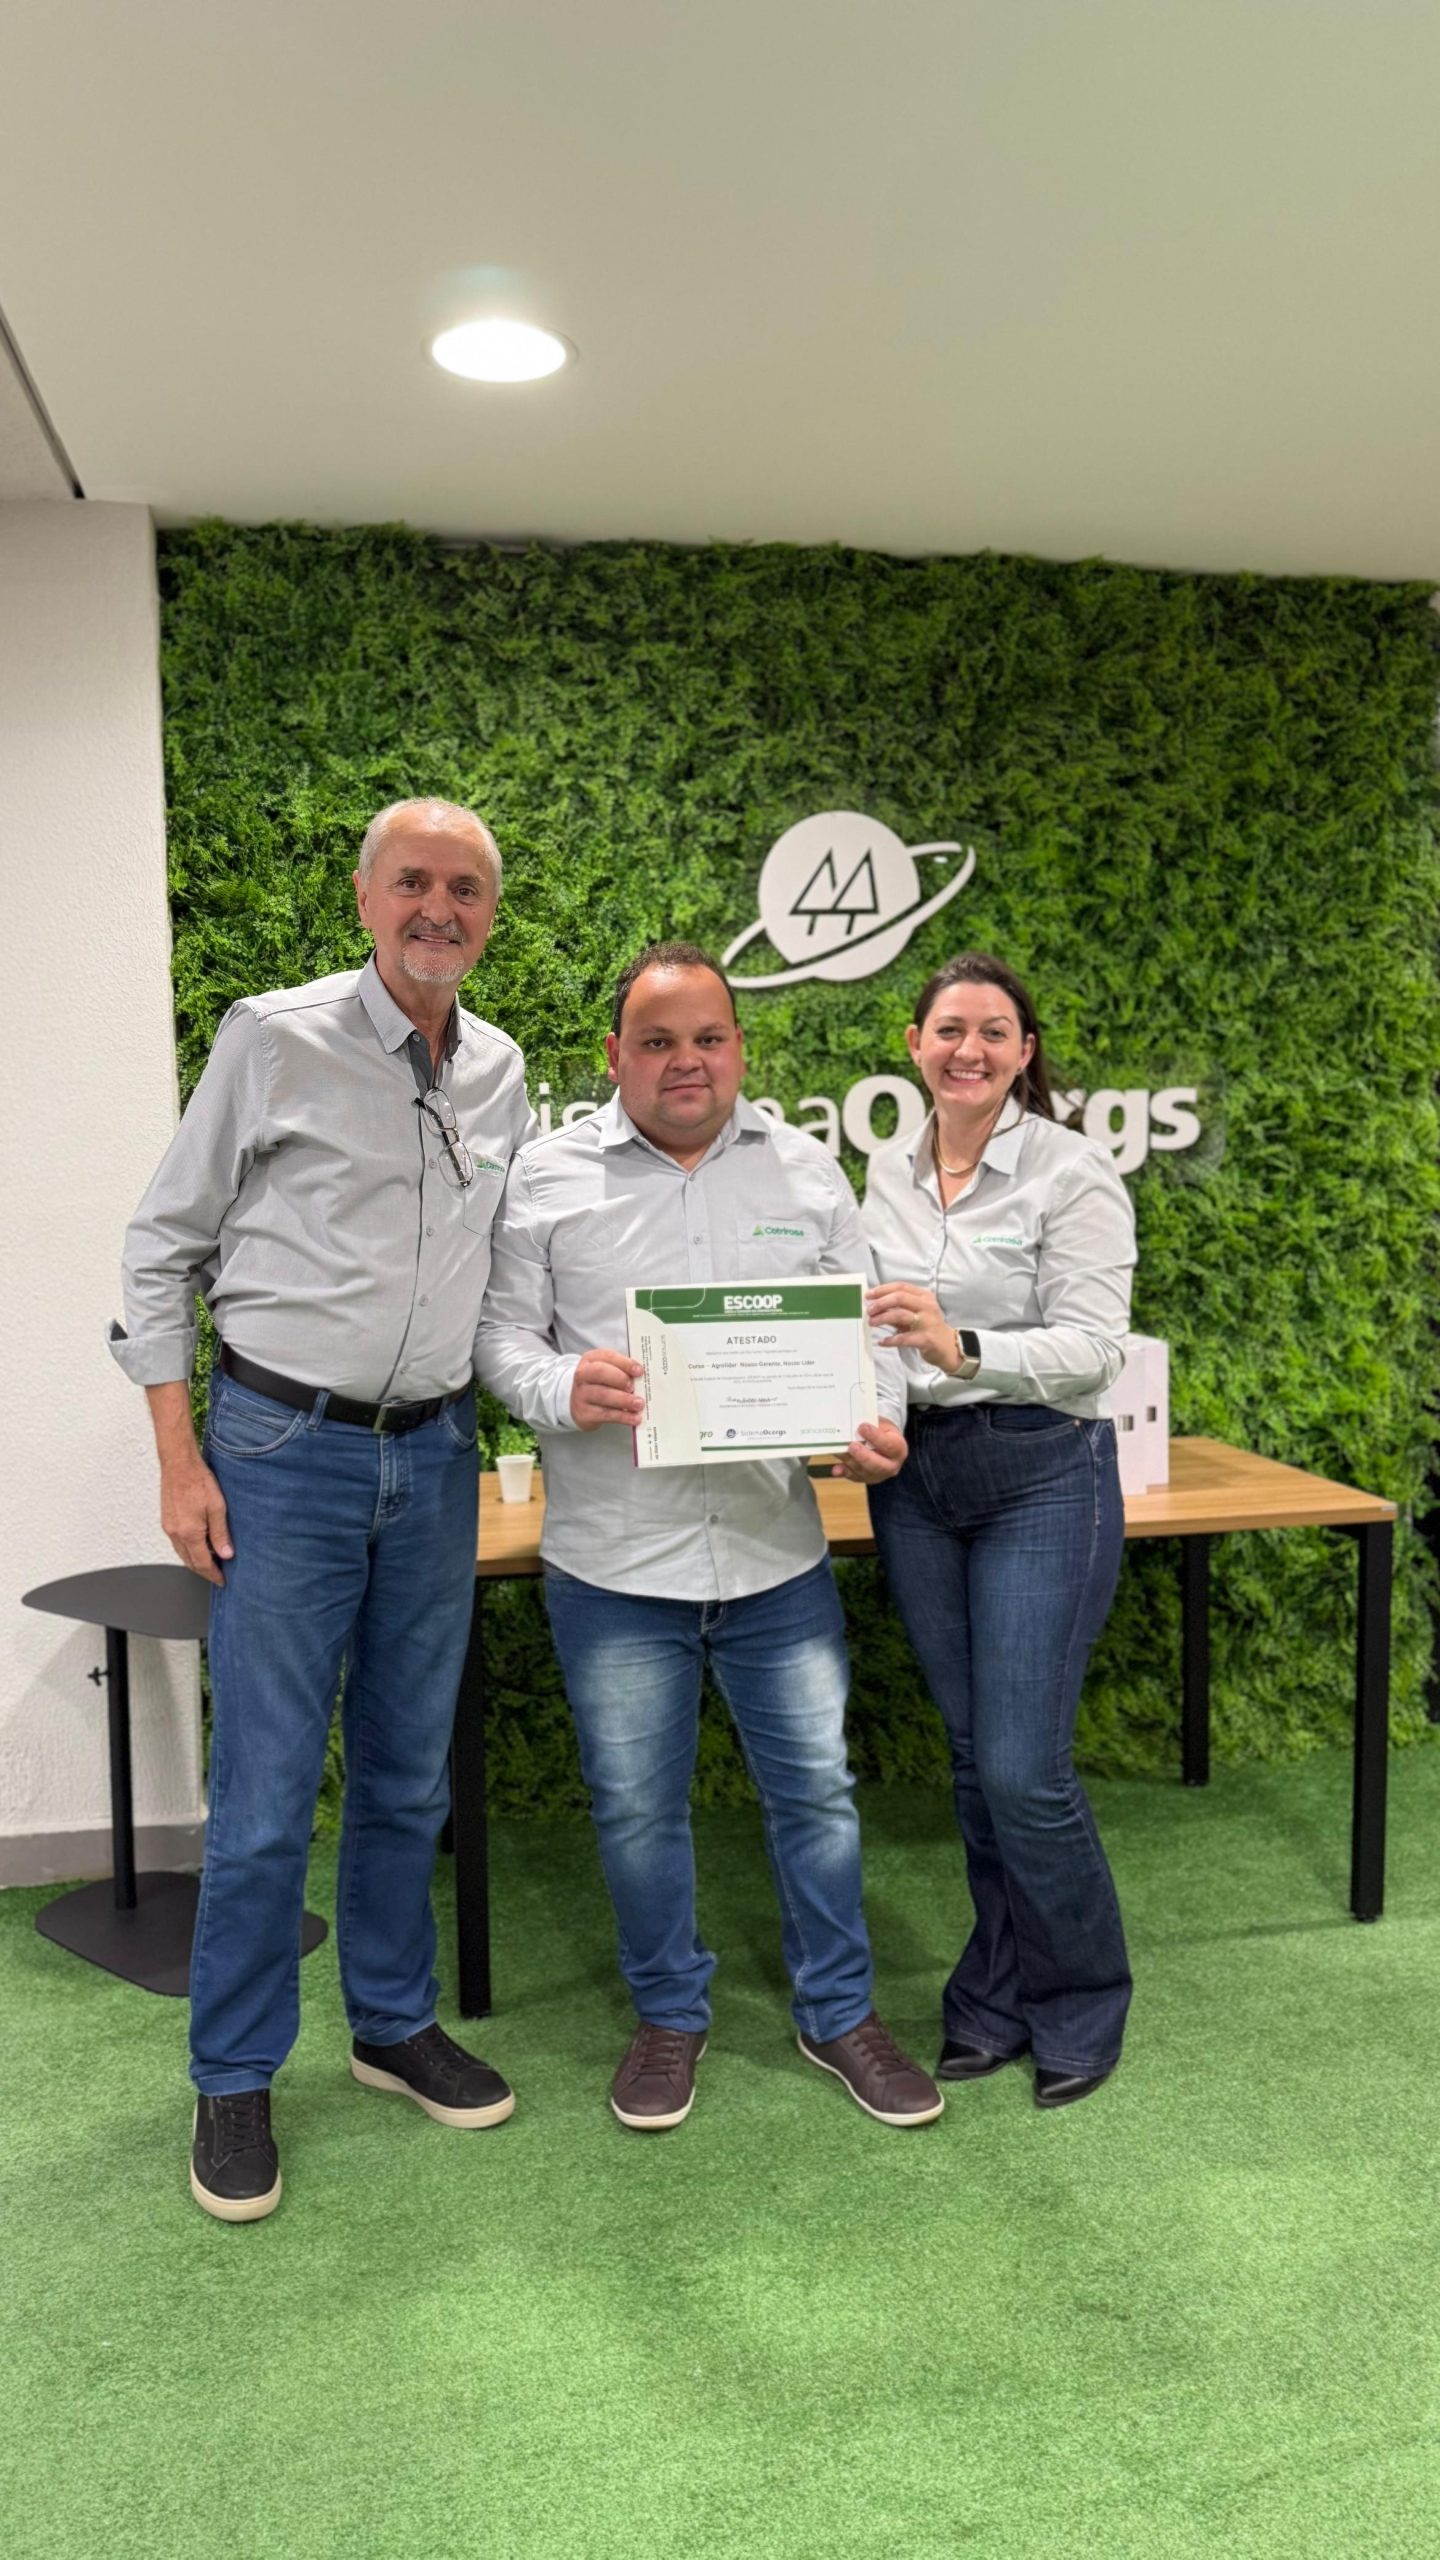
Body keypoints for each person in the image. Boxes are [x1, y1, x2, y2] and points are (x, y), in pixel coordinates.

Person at [111, 799, 533, 2220]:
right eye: (412, 881)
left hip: (437, 1452)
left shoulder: (501, 1072)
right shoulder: (273, 1037)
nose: (438, 908)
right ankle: (233, 2074)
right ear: (366, 899)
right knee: (268, 1789)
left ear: (489, 913)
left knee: (409, 1773)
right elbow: (161, 1247)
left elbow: (501, 1275)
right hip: (281, 1451)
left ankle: (391, 2024)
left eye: (464, 887)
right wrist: (178, 1459)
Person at [476, 941, 943, 2133]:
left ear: (740, 1047)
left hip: (774, 1555)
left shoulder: (805, 1172)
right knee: (637, 1807)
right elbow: (500, 1339)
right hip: (614, 1565)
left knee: (818, 1796)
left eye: (707, 1038)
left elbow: (867, 1336)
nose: (685, 1060)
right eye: (658, 1041)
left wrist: (876, 1424)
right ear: (614, 1055)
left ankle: (838, 2012)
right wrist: (561, 1385)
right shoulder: (547, 1177)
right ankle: (669, 2014)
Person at [862, 953, 1136, 2109]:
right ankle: (994, 1996)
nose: (967, 1048)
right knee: (978, 1761)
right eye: (948, 1029)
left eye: (992, 1031)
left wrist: (963, 1347)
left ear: (1024, 1052)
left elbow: (1096, 1347)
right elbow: (875, 1330)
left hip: (1041, 1471)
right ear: (915, 1044)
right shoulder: (885, 1169)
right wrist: (876, 1420)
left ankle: (1081, 2000)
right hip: (917, 1480)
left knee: (1025, 1769)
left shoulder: (1073, 1171)